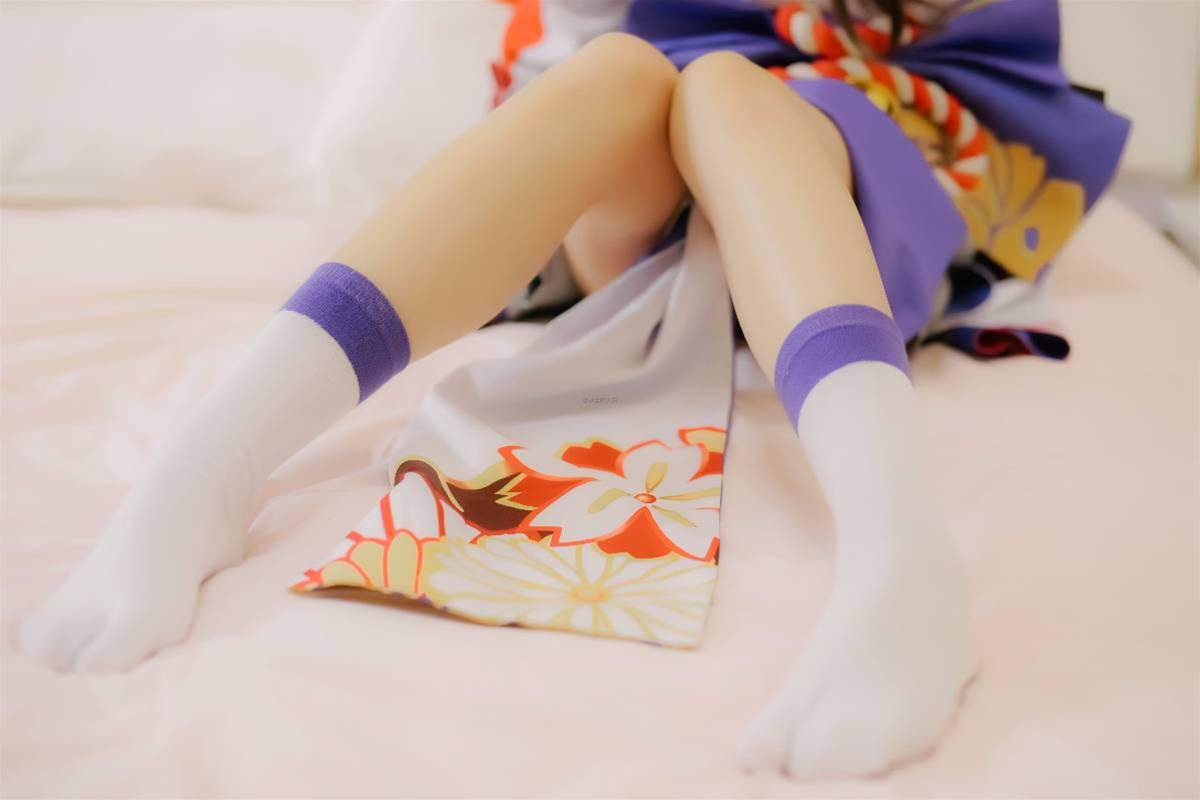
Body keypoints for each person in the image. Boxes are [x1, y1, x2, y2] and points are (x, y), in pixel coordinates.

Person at [16, 0, 1129, 780]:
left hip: (874, 132)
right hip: (652, 122)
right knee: (622, 72)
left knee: (732, 91)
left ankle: (901, 552)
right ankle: (213, 459)